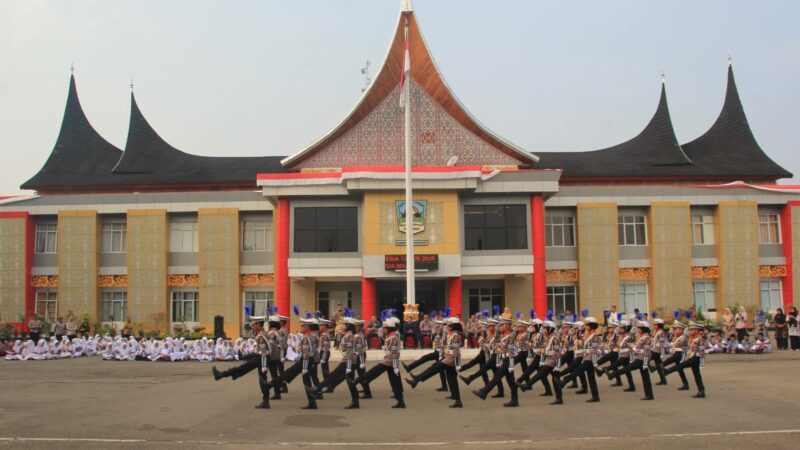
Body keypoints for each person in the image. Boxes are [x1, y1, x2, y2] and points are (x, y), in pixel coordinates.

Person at [353, 314, 405, 408]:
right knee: (394, 381)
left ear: (390, 328)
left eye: (385, 328)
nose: (383, 329)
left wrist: (395, 366)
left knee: (375, 371)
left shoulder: (393, 337)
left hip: (390, 361)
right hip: (389, 360)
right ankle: (400, 401)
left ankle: (358, 380)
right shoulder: (390, 336)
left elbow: (394, 353)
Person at [310, 315, 361, 409]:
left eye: (344, 324)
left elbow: (349, 352)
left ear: (349, 325)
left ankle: (317, 388)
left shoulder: (349, 336)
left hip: (348, 361)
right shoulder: (348, 335)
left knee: (333, 375)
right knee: (348, 381)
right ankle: (355, 401)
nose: (342, 325)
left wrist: (348, 366)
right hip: (349, 360)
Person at [472, 317, 519, 407]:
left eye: (502, 325)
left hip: (508, 360)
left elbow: (512, 351)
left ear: (507, 326)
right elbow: (498, 343)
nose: (500, 327)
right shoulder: (504, 335)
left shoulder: (510, 336)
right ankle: (514, 400)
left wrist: (511, 364)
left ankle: (484, 392)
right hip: (504, 358)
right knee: (511, 381)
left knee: (497, 377)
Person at [665, 321, 706, 398]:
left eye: (692, 329)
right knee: (697, 375)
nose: (690, 331)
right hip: (692, 356)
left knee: (682, 365)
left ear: (697, 330)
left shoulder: (700, 339)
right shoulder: (692, 337)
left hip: (696, 358)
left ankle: (667, 371)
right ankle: (701, 391)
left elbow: (702, 351)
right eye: (690, 329)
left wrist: (702, 363)